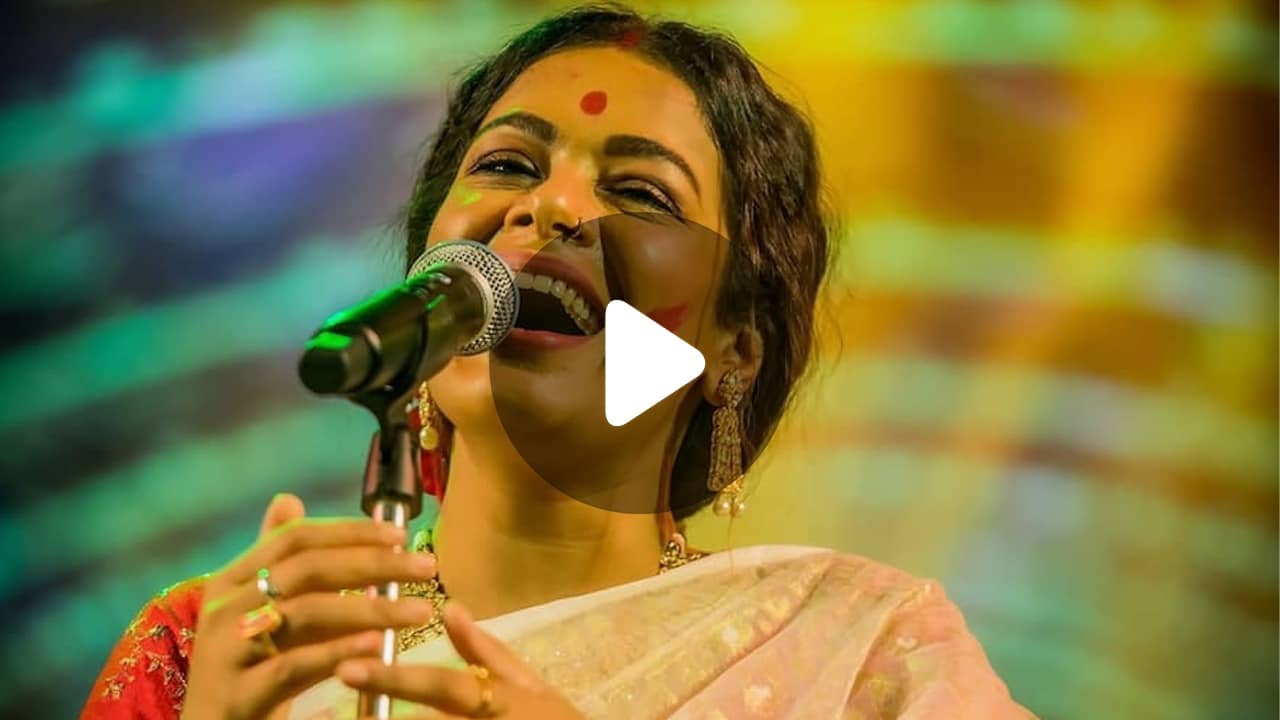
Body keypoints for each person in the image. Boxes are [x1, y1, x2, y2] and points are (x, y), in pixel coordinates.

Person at [84, 5, 1034, 719]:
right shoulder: (224, 648)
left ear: (731, 351)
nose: (552, 207)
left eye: (641, 192)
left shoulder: (865, 659)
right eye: (506, 166)